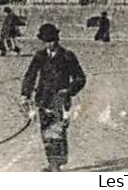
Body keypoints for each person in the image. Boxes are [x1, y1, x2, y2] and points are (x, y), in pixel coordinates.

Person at [20, 23, 87, 172]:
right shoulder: (40, 56)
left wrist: (69, 90)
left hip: (60, 100)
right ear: (43, 42)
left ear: (57, 39)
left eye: (53, 40)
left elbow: (80, 78)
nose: (51, 44)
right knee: (45, 131)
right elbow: (30, 76)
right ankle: (53, 162)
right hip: (43, 99)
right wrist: (25, 94)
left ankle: (56, 164)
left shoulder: (67, 56)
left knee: (57, 131)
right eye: (47, 41)